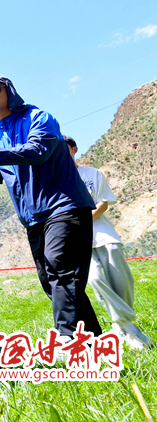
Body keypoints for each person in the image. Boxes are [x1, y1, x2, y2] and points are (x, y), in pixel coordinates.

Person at [0, 76, 102, 341]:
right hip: (33, 218)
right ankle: (92, 340)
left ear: (10, 92)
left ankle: (67, 339)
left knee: (61, 270)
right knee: (51, 281)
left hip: (64, 206)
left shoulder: (39, 117)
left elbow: (38, 151)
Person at [66, 136, 151, 348]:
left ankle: (121, 328)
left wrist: (83, 222)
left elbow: (103, 203)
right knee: (95, 279)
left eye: (65, 148)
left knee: (122, 281)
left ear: (74, 149)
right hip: (77, 240)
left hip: (104, 235)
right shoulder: (56, 179)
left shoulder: (92, 173)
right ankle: (128, 325)